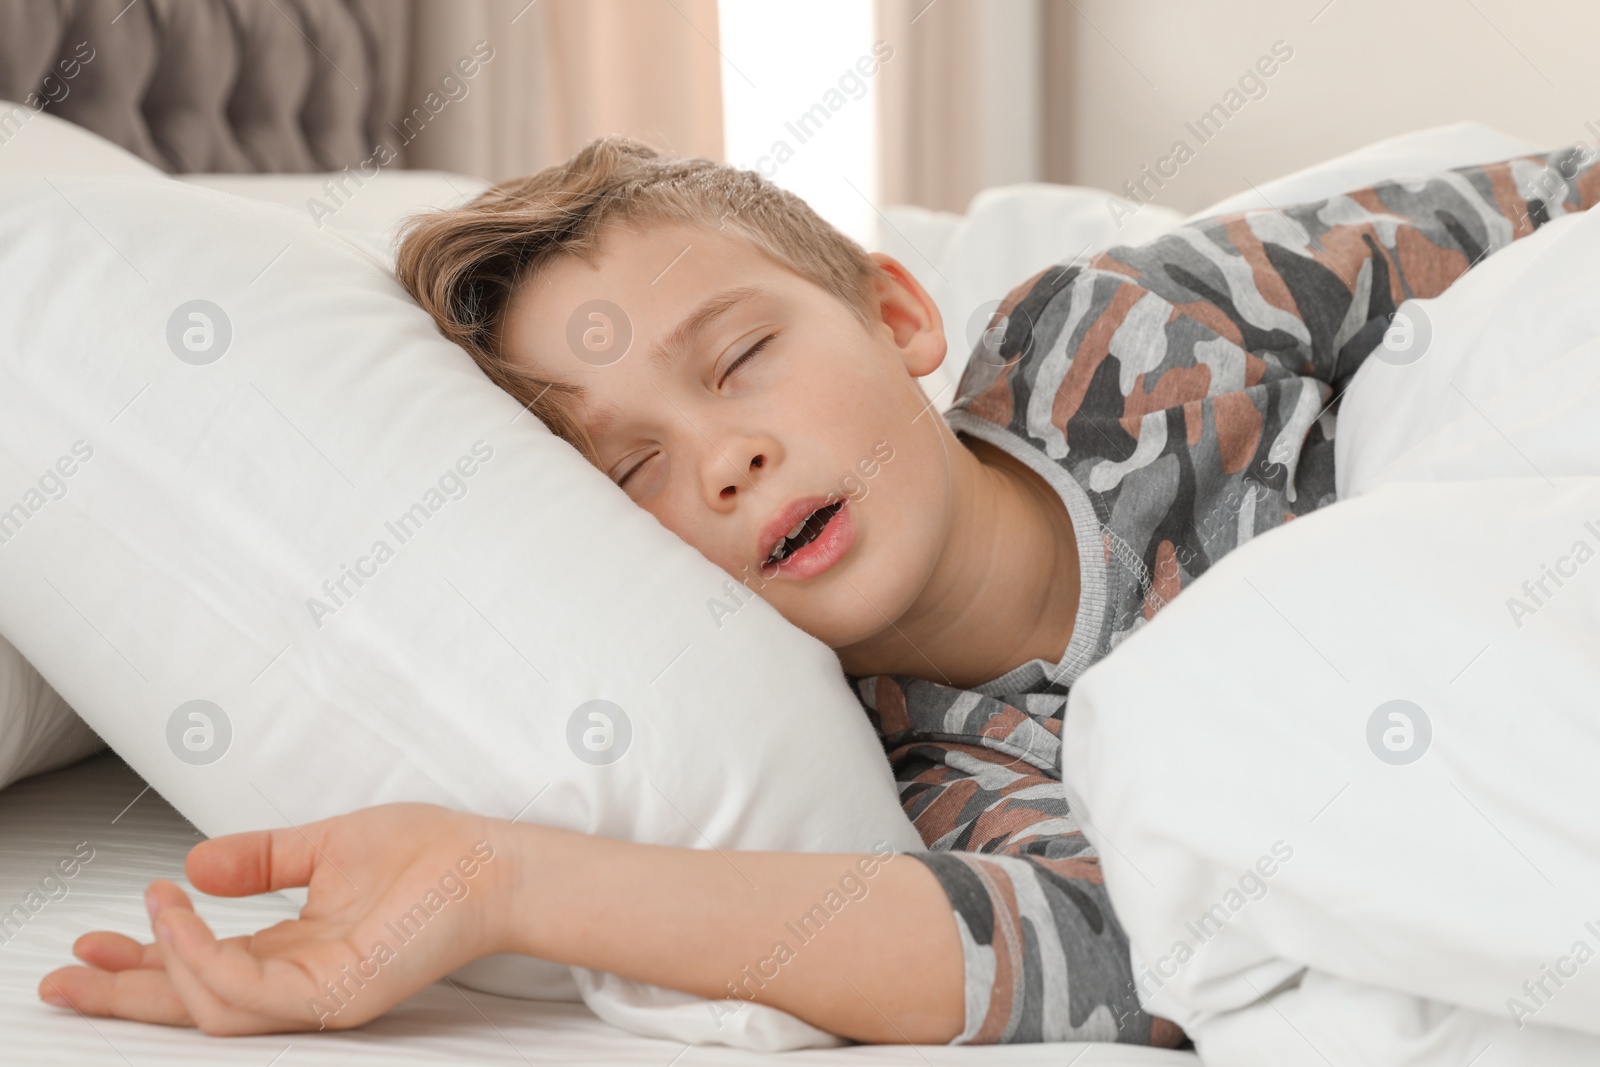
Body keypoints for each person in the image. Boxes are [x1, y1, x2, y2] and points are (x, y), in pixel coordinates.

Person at [39, 135, 1600, 1045]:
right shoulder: (942, 780)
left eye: (738, 362)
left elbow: (1526, 219)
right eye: (633, 471)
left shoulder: (1117, 331)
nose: (719, 461)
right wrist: (496, 881)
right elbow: (1091, 955)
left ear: (899, 310)